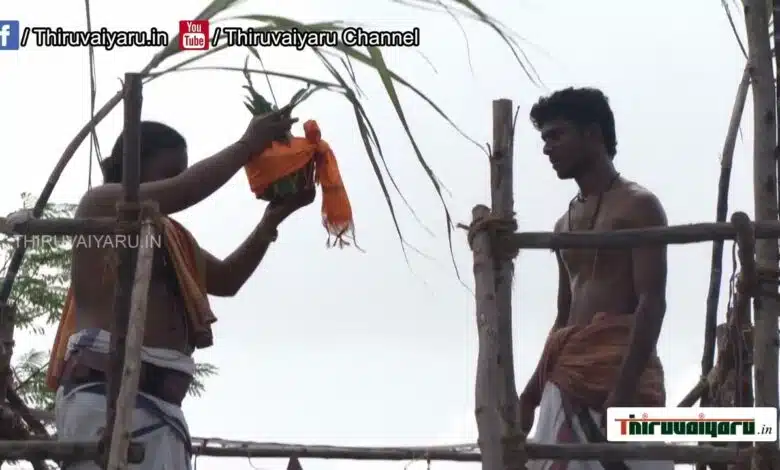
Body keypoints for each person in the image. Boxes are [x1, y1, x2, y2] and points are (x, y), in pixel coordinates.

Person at [47, 109, 314, 470]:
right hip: (105, 399)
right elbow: (185, 191)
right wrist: (248, 145)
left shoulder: (169, 234)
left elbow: (227, 279)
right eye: (169, 173)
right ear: (134, 168)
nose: (176, 182)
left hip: (162, 405)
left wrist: (272, 219)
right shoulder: (99, 205)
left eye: (180, 173)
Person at [519, 87, 672, 470]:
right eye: (544, 139)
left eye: (556, 135)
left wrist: (622, 390)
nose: (547, 149)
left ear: (592, 134)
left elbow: (652, 302)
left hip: (623, 374)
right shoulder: (563, 225)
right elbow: (563, 318)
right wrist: (531, 395)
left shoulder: (638, 206)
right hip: (567, 377)